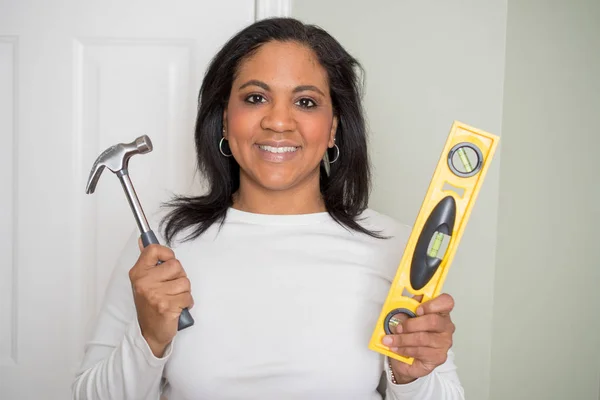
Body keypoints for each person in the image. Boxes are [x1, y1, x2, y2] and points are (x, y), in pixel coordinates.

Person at [72, 17, 465, 400]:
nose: (278, 122)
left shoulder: (394, 246)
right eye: (256, 98)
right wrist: (148, 338)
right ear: (225, 120)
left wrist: (411, 376)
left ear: (333, 129)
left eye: (306, 102)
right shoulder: (162, 243)